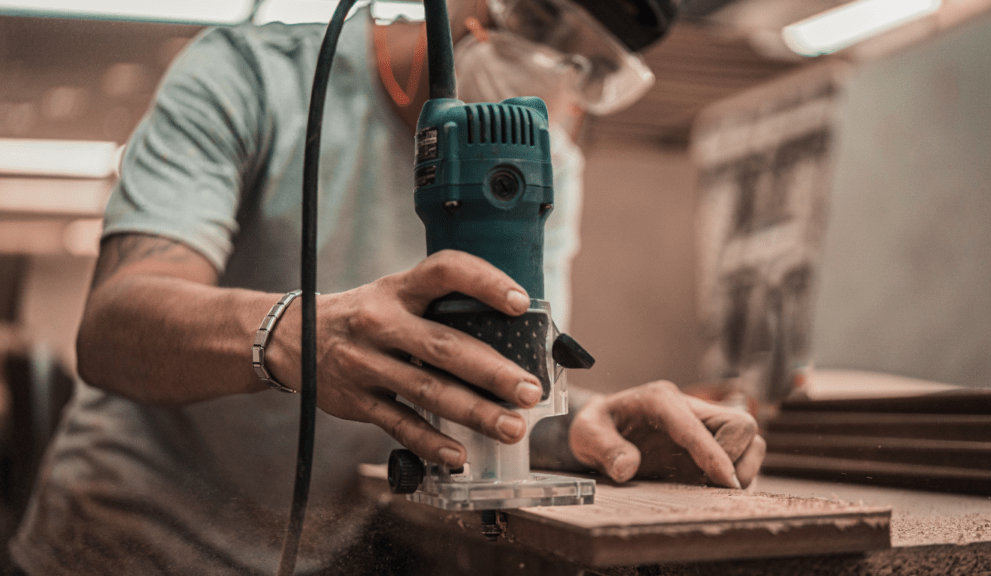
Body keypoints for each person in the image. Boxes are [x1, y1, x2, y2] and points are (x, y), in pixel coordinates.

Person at [9, 0, 765, 573]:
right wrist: (295, 335)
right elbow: (113, 326)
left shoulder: (544, 161)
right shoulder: (247, 75)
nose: (546, 60)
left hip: (308, 555)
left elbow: (499, 368)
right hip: (117, 544)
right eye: (536, 14)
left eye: (589, 61)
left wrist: (584, 428)